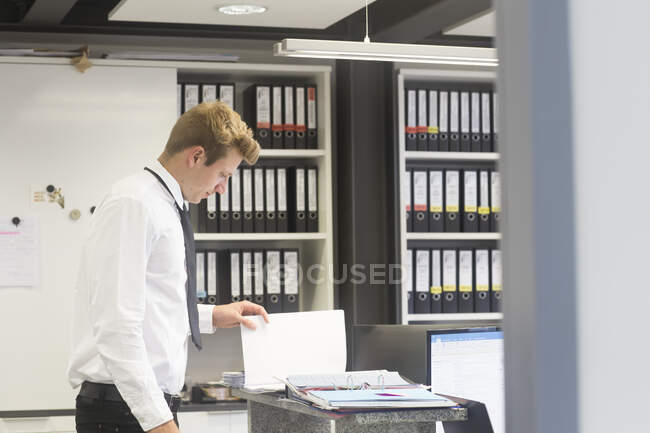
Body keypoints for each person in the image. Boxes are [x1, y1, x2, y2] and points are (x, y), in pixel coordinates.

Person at [67, 101, 269, 433]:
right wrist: (159, 422)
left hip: (139, 407)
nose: (222, 188)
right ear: (197, 156)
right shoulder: (134, 203)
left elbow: (151, 304)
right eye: (223, 175)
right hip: (124, 410)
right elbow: (117, 326)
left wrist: (211, 316)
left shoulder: (165, 206)